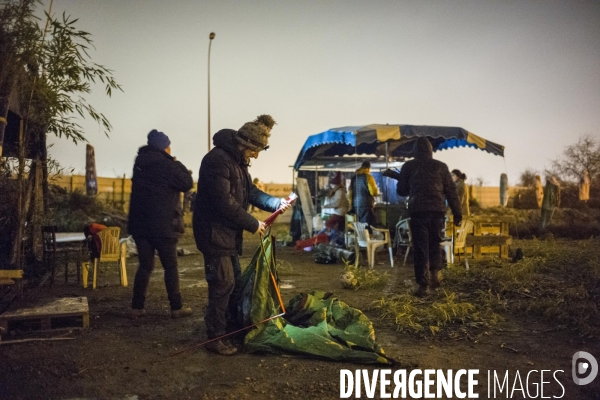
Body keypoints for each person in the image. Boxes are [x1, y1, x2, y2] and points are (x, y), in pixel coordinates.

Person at [193, 114, 291, 356]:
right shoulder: (217, 161)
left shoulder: (237, 163)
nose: (256, 156)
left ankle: (229, 329)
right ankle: (215, 337)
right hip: (214, 234)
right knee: (222, 283)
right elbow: (223, 202)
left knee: (232, 283)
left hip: (227, 235)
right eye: (254, 150)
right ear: (244, 143)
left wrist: (275, 203)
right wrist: (252, 223)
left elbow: (250, 192)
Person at [128, 129, 194, 319]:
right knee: (170, 266)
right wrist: (176, 161)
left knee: (145, 266)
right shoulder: (168, 165)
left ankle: (137, 307)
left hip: (140, 225)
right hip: (163, 225)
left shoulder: (139, 163)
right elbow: (187, 183)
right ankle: (176, 307)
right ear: (164, 147)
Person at [395, 138, 462, 297]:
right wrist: (458, 213)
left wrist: (406, 181)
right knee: (435, 243)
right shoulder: (441, 166)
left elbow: (401, 191)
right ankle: (435, 275)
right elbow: (451, 192)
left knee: (420, 248)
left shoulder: (409, 166)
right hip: (438, 211)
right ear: (431, 151)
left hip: (418, 211)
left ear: (414, 151)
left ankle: (423, 286)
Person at [349, 161, 379, 226]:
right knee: (368, 225)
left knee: (359, 225)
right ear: (368, 168)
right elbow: (374, 192)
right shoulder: (368, 177)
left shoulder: (354, 178)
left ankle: (360, 235)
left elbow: (350, 193)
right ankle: (366, 236)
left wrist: (351, 204)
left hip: (356, 205)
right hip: (366, 205)